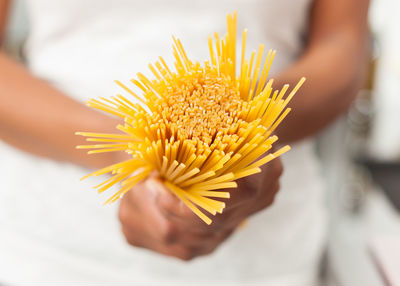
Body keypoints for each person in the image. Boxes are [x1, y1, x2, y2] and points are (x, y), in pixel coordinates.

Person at [0, 0, 369, 285]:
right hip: (48, 249)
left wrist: (246, 126)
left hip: (264, 263)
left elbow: (343, 47)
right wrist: (131, 146)